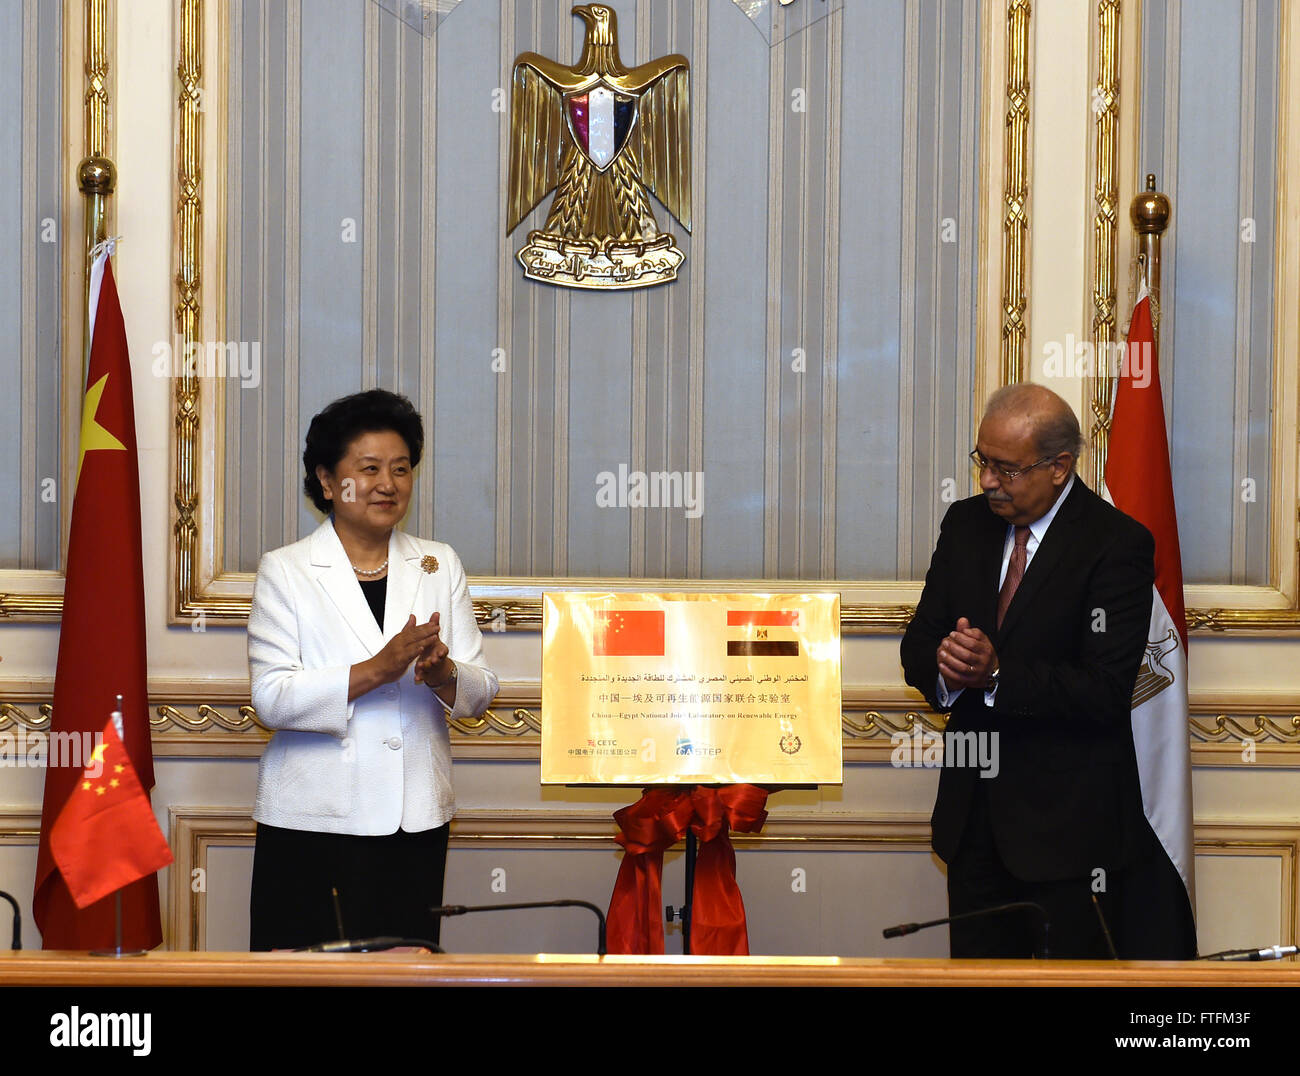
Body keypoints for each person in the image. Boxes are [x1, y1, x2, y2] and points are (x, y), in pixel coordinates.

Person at [900, 382, 1157, 959]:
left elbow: (1104, 691)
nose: (988, 480)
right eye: (982, 461)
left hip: (1070, 839)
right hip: (973, 828)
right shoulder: (966, 525)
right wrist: (946, 663)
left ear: (1059, 467)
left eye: (1006, 469)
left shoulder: (1117, 545)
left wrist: (996, 676)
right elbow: (918, 643)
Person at [247, 389, 498, 950]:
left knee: (405, 976)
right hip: (313, 822)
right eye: (369, 469)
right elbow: (272, 697)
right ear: (328, 481)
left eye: (402, 468)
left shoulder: (439, 562)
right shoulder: (286, 570)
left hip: (414, 822)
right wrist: (378, 669)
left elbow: (481, 690)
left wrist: (442, 674)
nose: (388, 483)